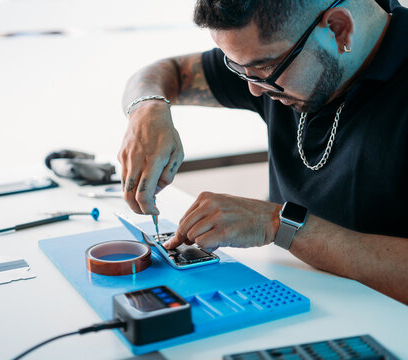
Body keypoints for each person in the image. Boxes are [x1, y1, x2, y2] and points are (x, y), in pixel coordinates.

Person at [118, 0, 408, 304]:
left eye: (266, 67)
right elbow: (168, 73)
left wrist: (279, 224)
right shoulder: (273, 57)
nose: (254, 89)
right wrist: (147, 110)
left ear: (339, 29)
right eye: (240, 68)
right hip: (294, 297)